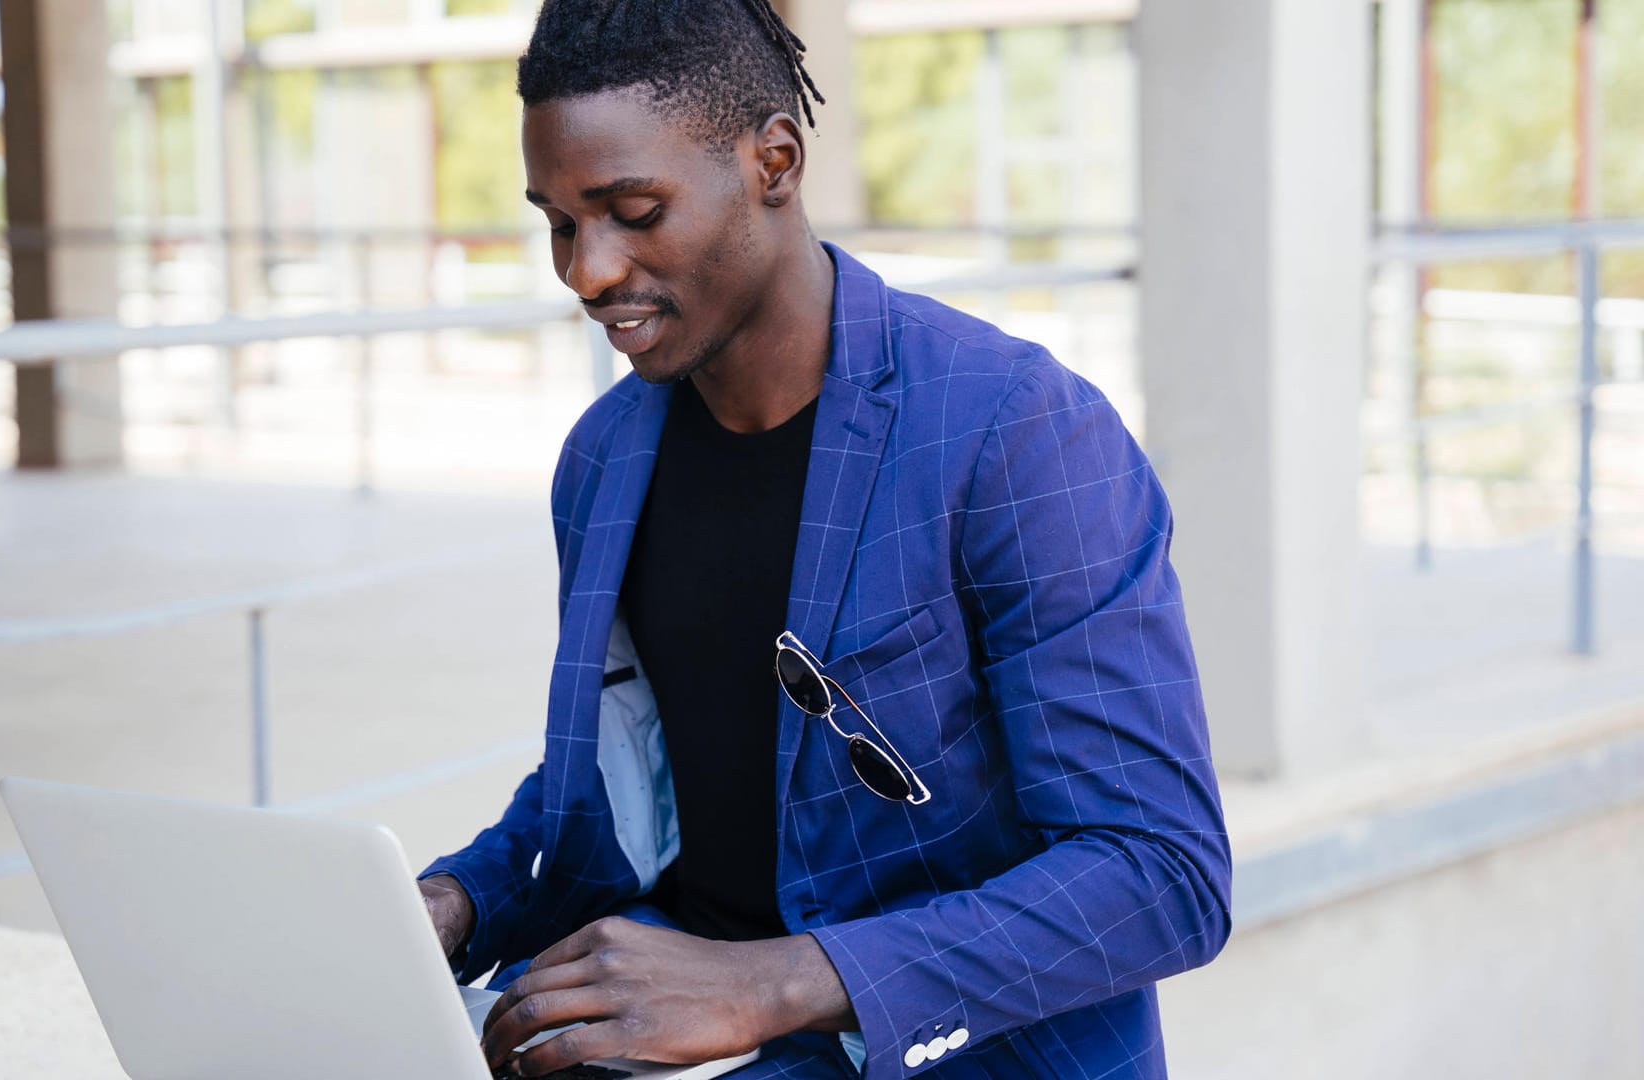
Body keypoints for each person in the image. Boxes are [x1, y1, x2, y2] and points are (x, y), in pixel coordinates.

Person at [417, 1, 1231, 1076]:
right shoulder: (604, 460)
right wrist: (458, 902)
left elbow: (1159, 875)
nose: (588, 270)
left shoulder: (1018, 433)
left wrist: (774, 984)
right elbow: (621, 787)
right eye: (562, 222)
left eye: (632, 210)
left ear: (776, 162)